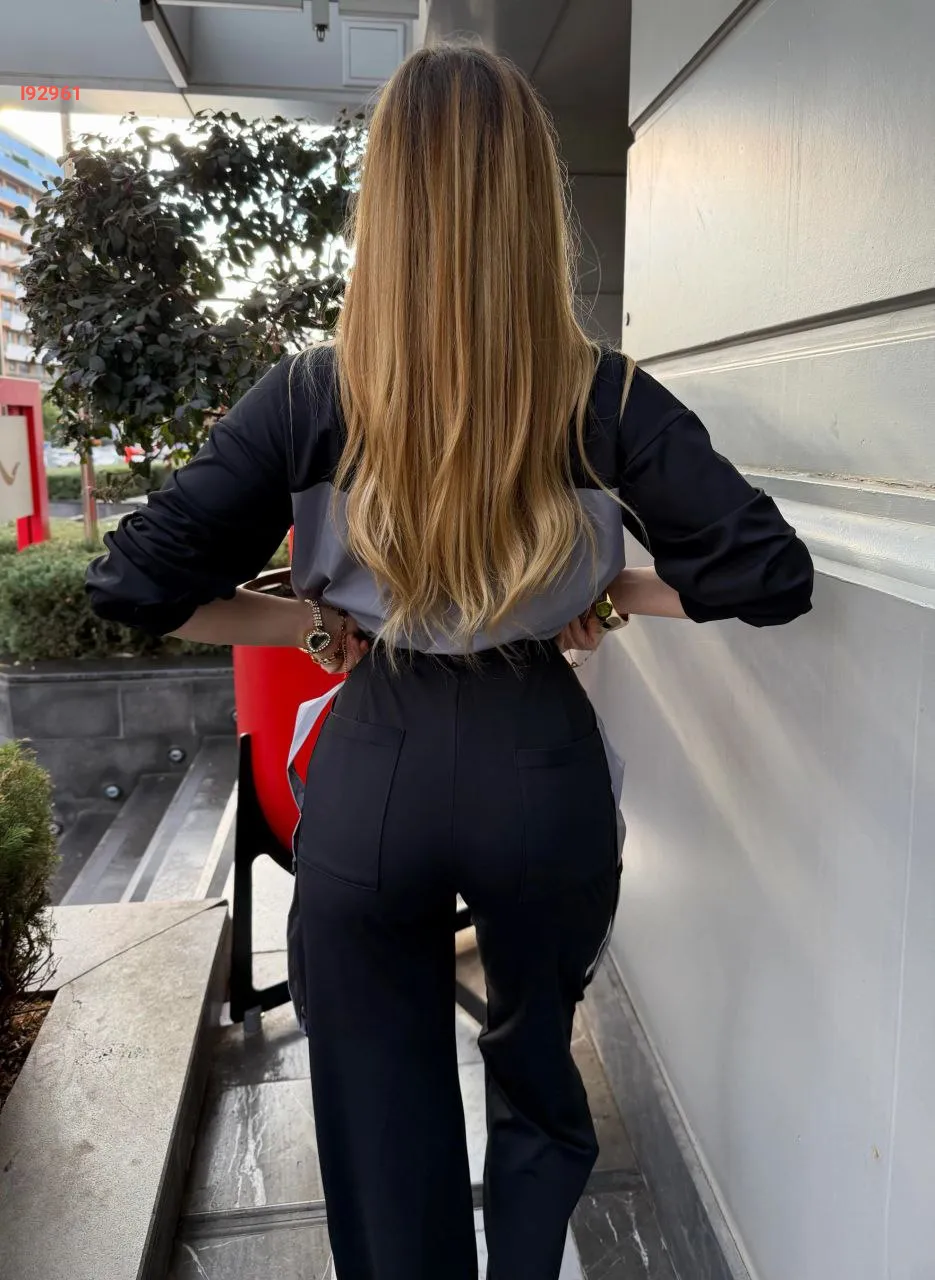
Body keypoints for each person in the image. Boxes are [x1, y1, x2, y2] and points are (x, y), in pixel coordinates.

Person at [86, 42, 813, 1280]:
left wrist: (313, 625)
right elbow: (767, 571)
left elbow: (133, 582)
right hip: (538, 759)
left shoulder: (310, 396)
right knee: (538, 1080)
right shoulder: (602, 397)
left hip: (378, 758)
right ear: (530, 203)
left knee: (379, 1119)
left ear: (387, 204)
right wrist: (608, 592)